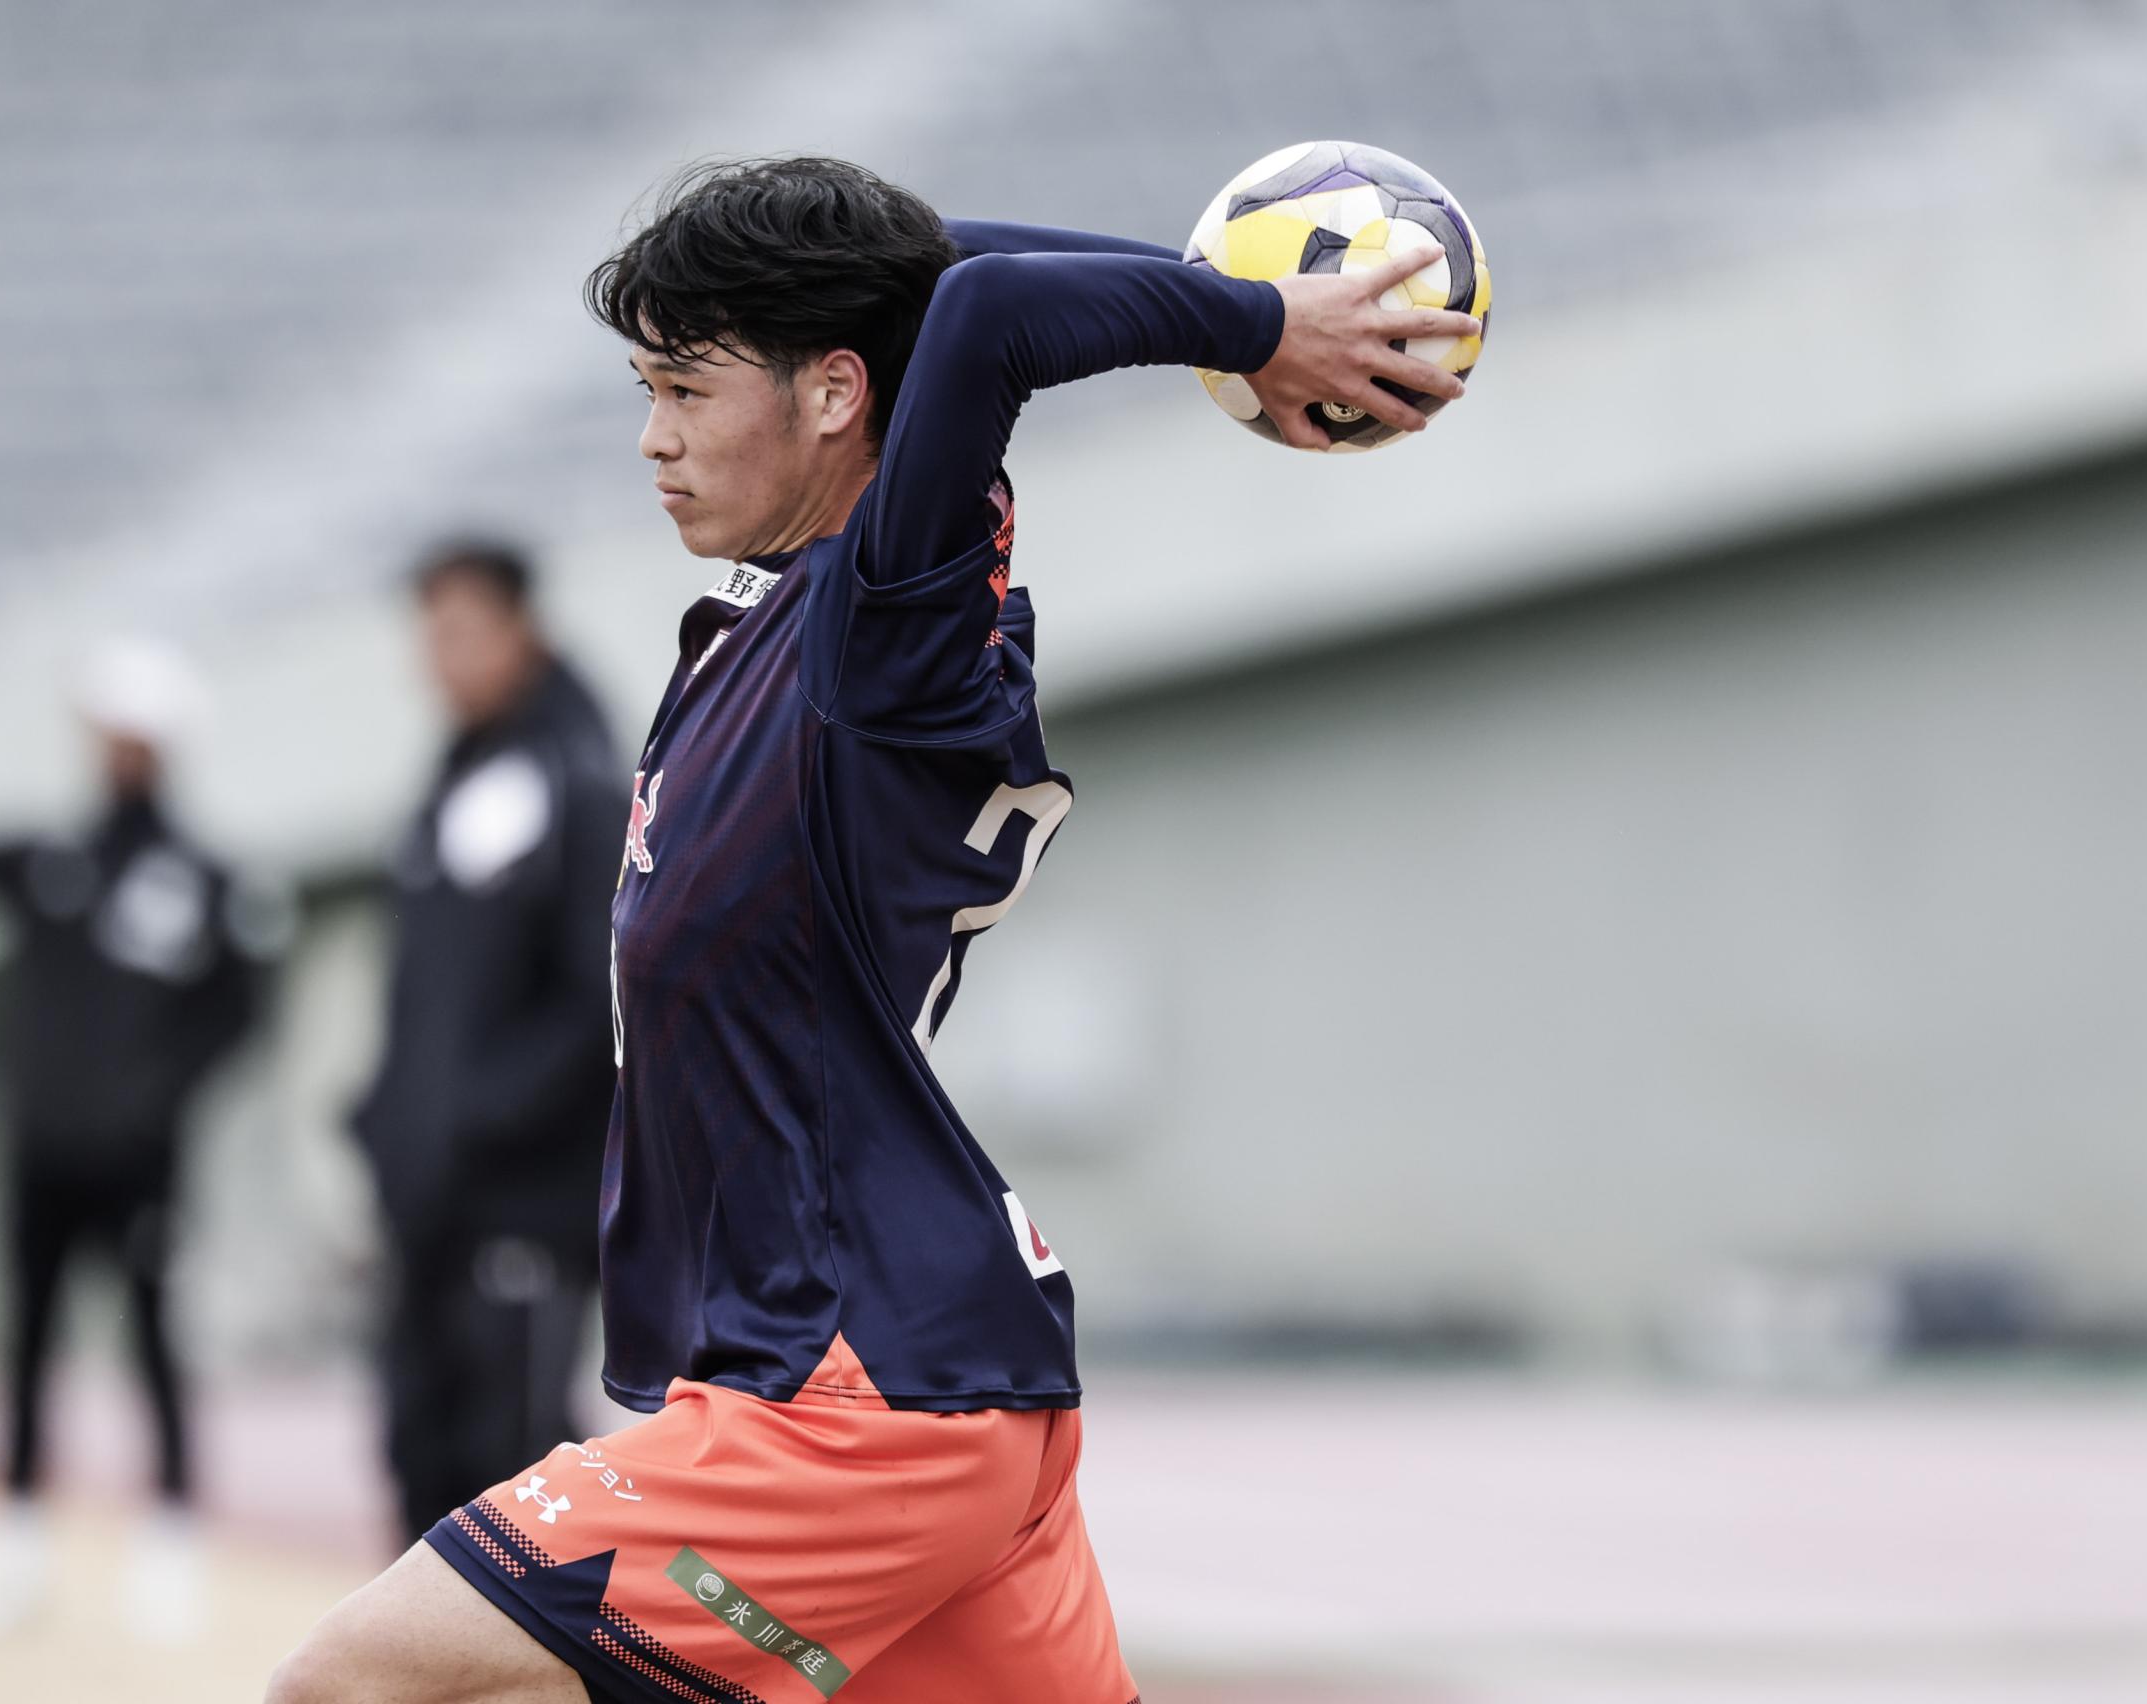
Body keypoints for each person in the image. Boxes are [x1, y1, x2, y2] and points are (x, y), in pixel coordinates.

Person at [271, 157, 1478, 1704]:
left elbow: (979, 311)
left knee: (355, 1682)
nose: (652, 435)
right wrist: (1218, 303)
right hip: (933, 1376)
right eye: (647, 388)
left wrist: (1256, 324)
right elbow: (936, 280)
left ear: (838, 396)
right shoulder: (795, 614)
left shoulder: (884, 628)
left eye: (686, 388)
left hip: (854, 1396)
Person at [0, 637, 277, 1642]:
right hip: (39, 1156)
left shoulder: (207, 879)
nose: (110, 748)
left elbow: (244, 1013)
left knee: (153, 1343)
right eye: (102, 730)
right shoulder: (51, 862)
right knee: (27, 1343)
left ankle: (171, 1539)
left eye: (128, 732)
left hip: (141, 1168)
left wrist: (157, 1097)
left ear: (161, 743)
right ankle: (16, 1539)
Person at [350, 542, 627, 1548]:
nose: (441, 655)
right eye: (430, 634)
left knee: (515, 1476)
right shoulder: (446, 789)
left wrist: (478, 1116)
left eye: (463, 629)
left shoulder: (581, 783)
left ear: (523, 631)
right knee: (417, 1452)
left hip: (525, 1200)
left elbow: (603, 994)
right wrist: (384, 1118)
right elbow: (421, 1002)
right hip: (431, 1200)